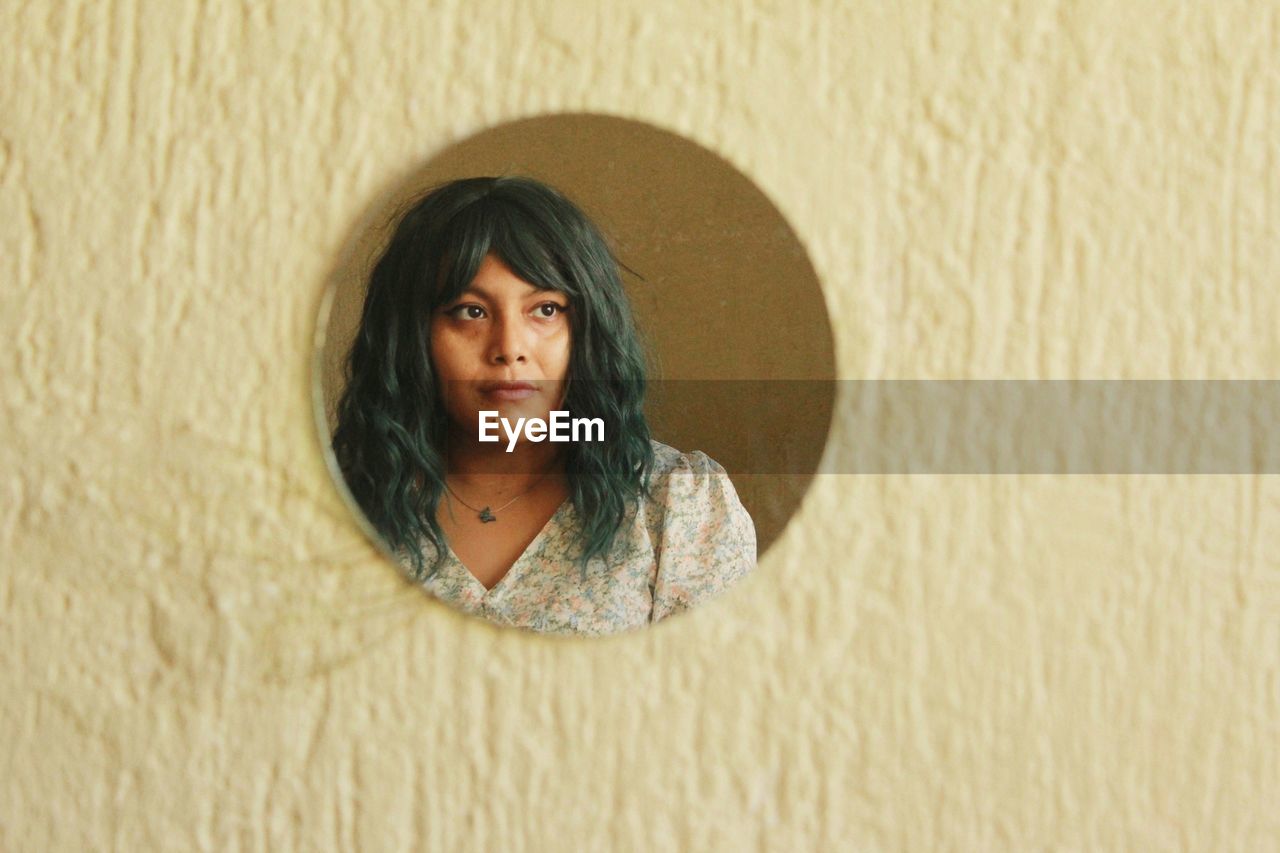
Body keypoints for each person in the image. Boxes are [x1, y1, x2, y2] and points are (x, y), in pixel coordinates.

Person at [332, 175, 755, 636]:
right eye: (471, 311)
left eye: (546, 310)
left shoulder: (679, 504)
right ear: (410, 337)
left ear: (589, 331)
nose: (509, 348)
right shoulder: (331, 504)